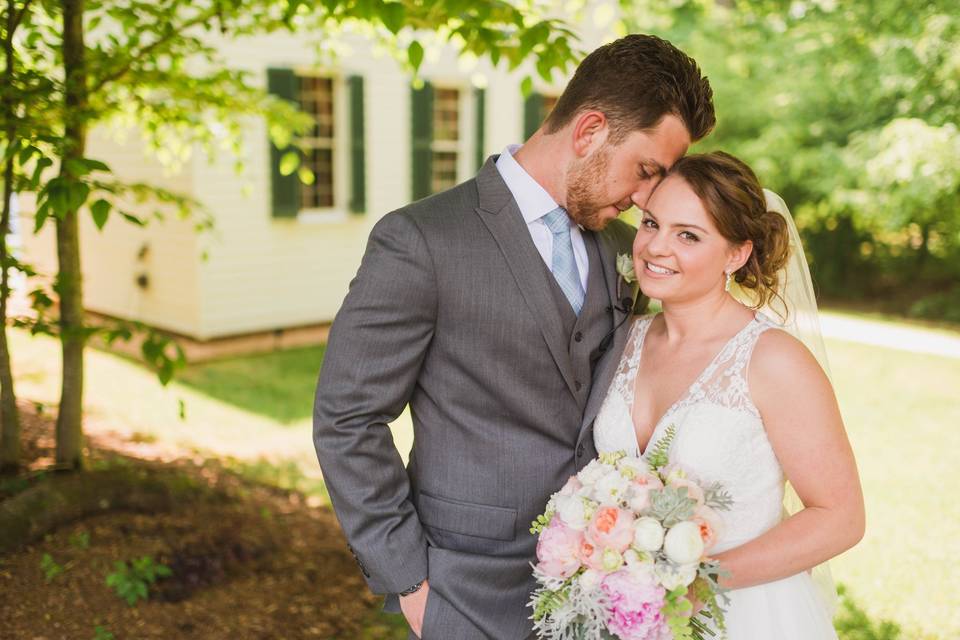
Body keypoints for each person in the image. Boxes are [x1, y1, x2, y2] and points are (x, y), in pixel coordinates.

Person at [313, 34, 715, 639]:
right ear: (588, 131)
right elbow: (348, 417)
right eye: (645, 170)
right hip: (461, 590)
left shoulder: (616, 251)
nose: (644, 198)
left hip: (599, 585)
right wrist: (410, 583)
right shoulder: (422, 241)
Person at [593, 151, 865, 638]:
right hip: (623, 612)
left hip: (744, 615)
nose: (656, 247)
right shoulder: (622, 339)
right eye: (651, 223)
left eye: (688, 235)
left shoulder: (773, 360)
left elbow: (839, 518)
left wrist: (696, 584)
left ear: (736, 254)